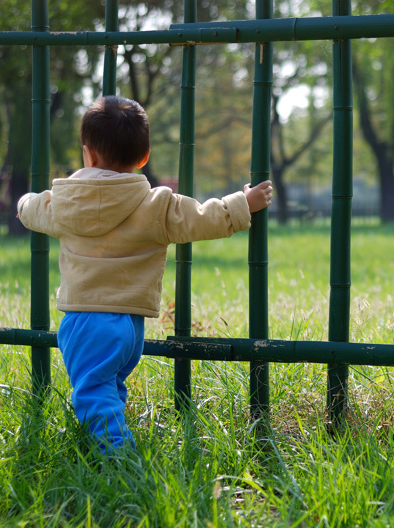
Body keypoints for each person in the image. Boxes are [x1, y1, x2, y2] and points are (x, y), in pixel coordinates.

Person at [17, 95, 273, 452]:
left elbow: (32, 209)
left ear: (87, 154)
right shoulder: (156, 204)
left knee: (92, 395)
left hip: (86, 321)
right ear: (143, 158)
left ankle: (120, 463)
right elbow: (201, 217)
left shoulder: (62, 203)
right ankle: (109, 444)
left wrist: (22, 202)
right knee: (108, 387)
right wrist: (243, 203)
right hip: (129, 327)